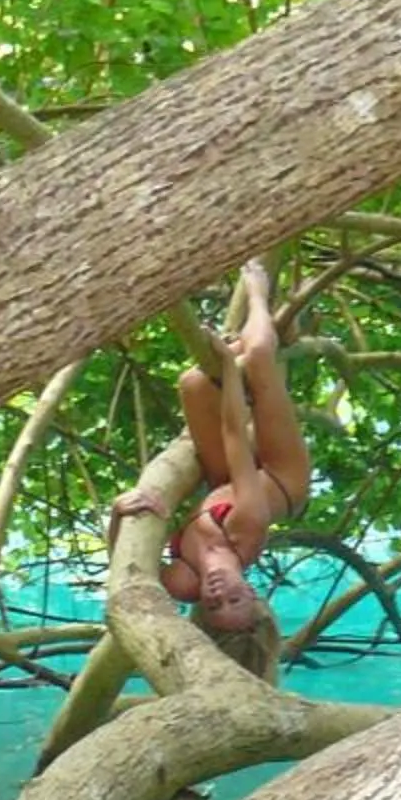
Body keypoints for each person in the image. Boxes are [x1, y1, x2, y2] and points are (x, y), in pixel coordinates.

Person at [110, 260, 312, 675]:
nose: (218, 593)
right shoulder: (248, 525)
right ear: (252, 593)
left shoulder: (183, 582)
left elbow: (125, 569)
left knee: (193, 383)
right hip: (281, 477)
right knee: (258, 356)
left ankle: (245, 344)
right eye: (234, 599)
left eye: (214, 605)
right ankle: (259, 292)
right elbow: (235, 434)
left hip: (225, 483)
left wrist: (117, 513)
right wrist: (232, 370)